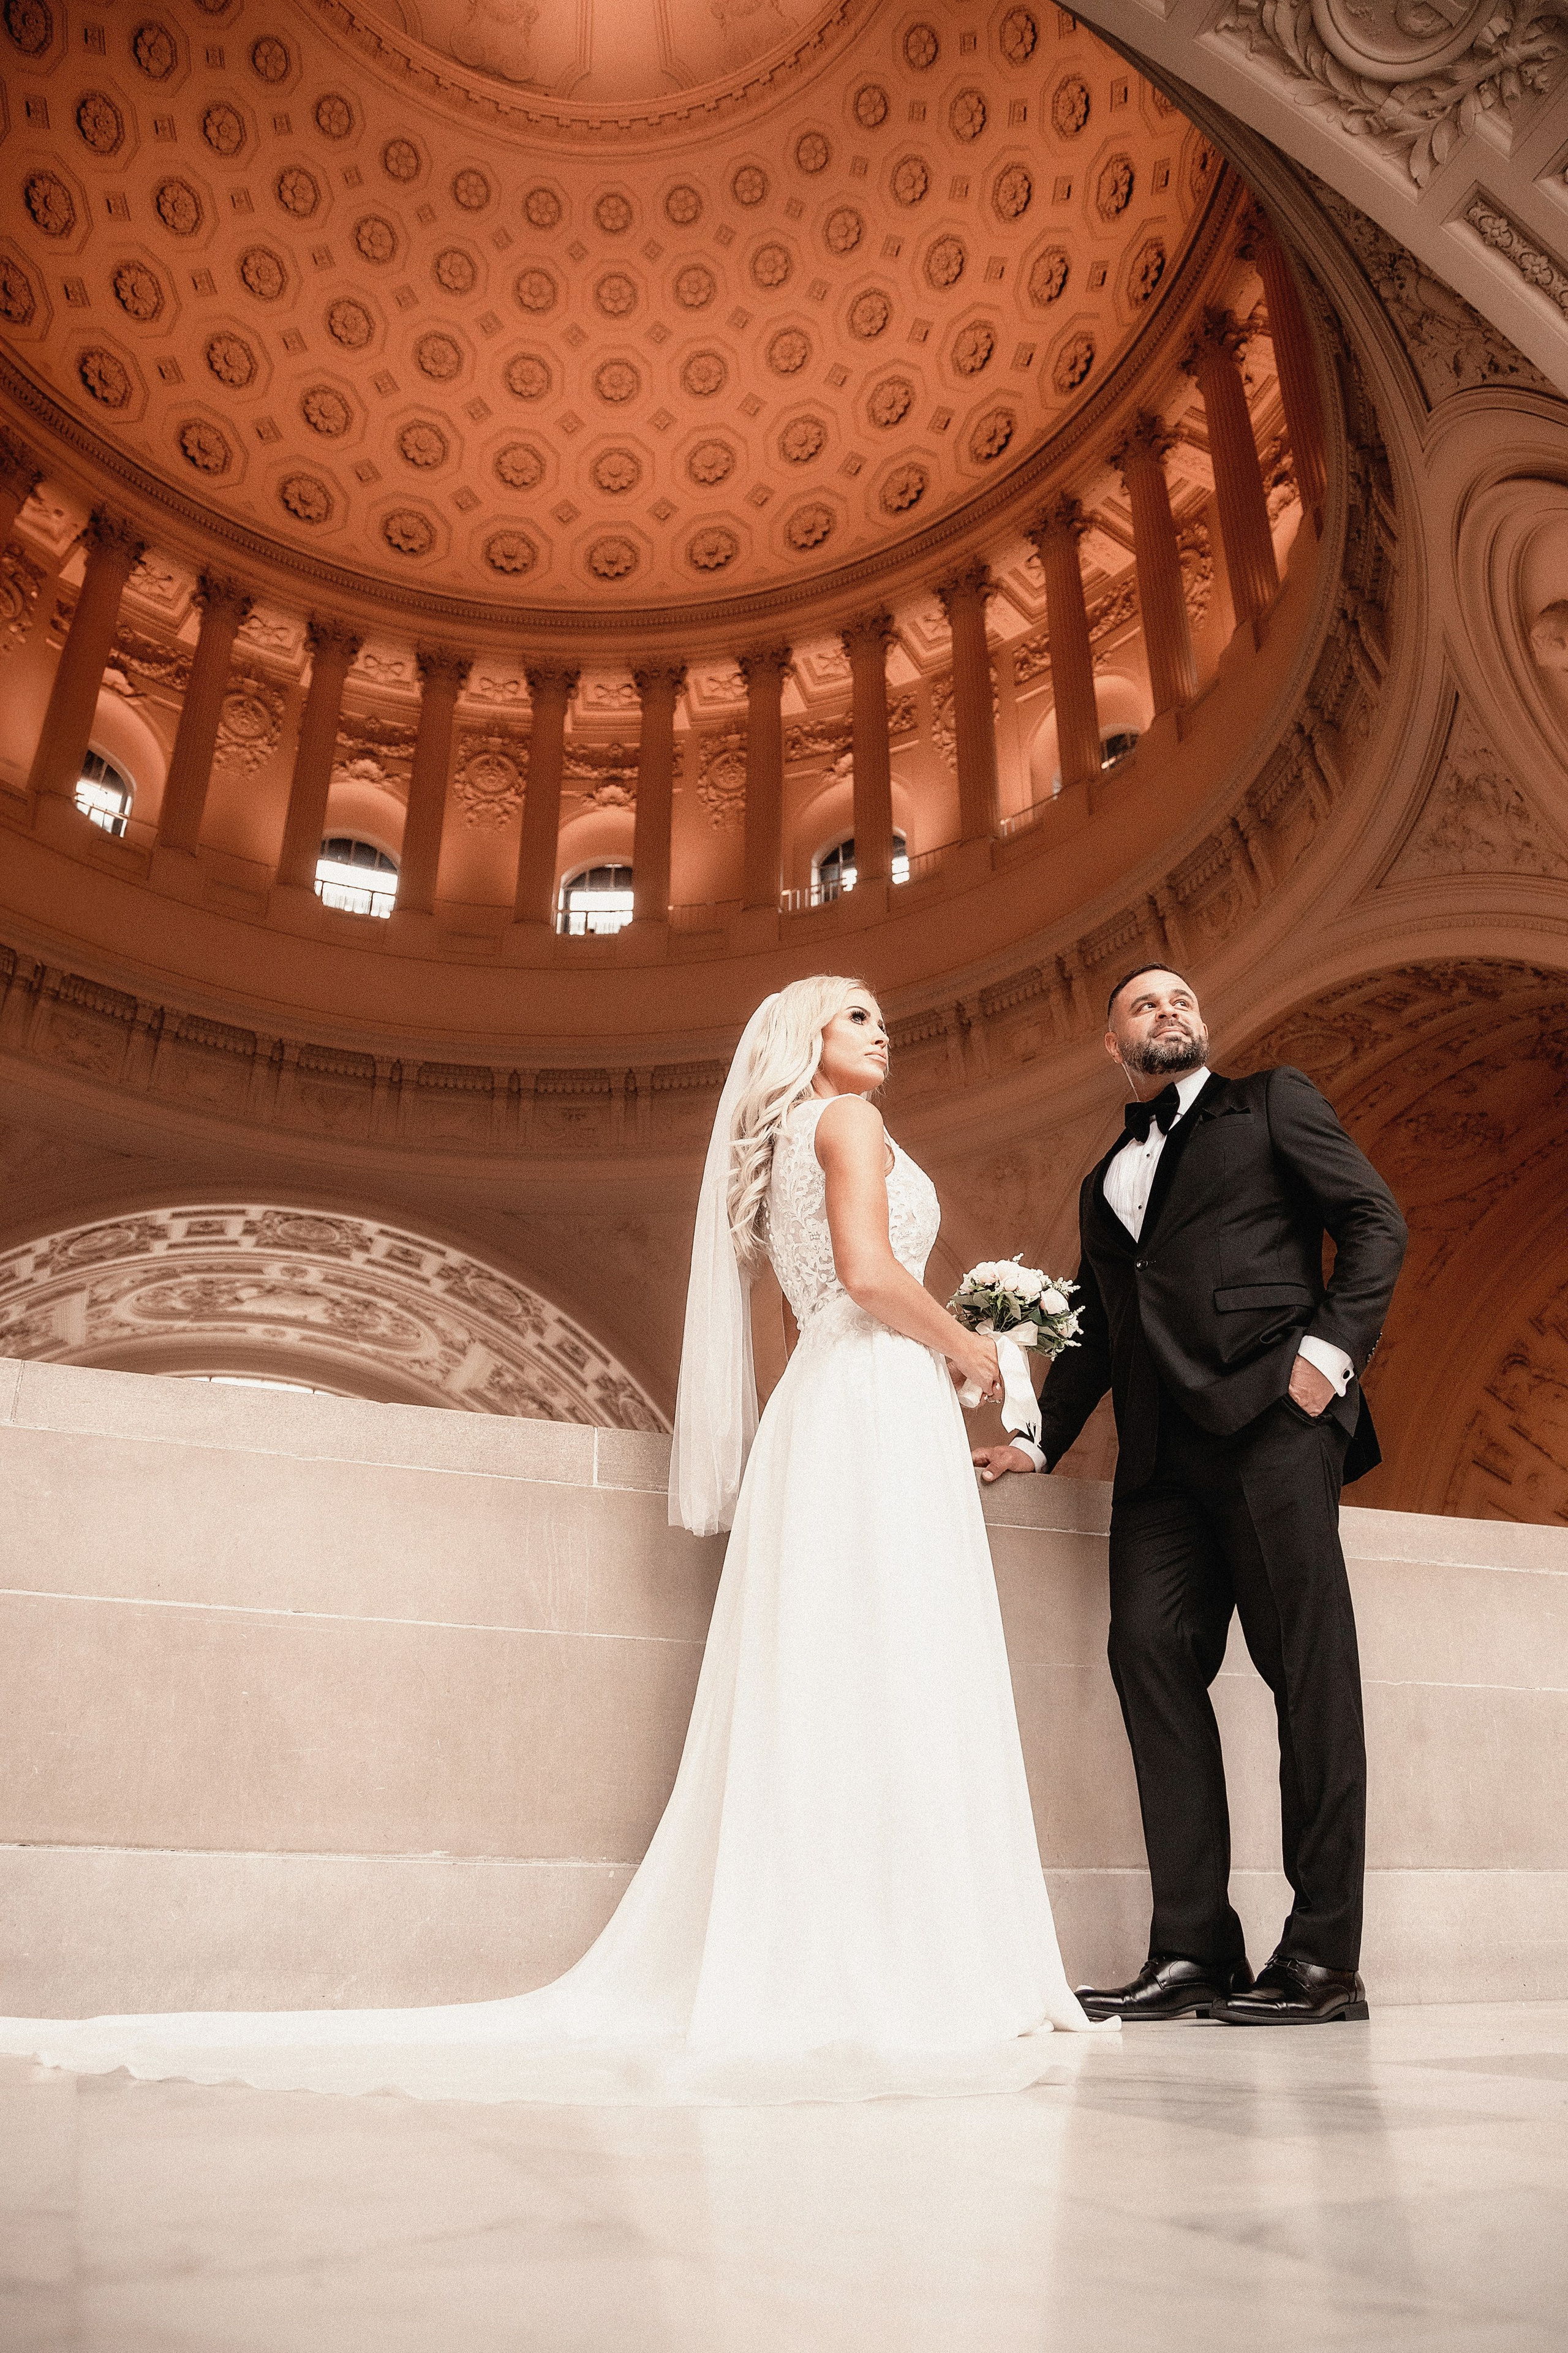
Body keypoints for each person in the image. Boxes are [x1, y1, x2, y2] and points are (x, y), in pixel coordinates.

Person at [0, 976, 1114, 2102]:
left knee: (827, 1671)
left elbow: (799, 1317)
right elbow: (873, 1278)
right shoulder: (850, 1119)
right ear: (803, 1038)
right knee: (897, 1662)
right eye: (859, 1017)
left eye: (885, 1019)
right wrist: (968, 1354)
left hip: (820, 1409)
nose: (886, 1034)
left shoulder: (775, 1150)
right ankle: (915, 1960)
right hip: (873, 1396)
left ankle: (835, 1953)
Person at [974, 967, 1406, 2026]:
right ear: (1111, 1045)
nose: (1169, 1008)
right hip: (1160, 1462)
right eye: (1143, 1004)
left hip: (1274, 1421)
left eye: (1181, 998)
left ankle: (1322, 1962)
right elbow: (1101, 1326)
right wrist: (1038, 1439)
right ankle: (1193, 1949)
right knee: (1148, 1659)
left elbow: (1375, 1222)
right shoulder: (1102, 1177)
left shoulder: (1273, 1101)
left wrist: (1327, 1358)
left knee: (1307, 1675)